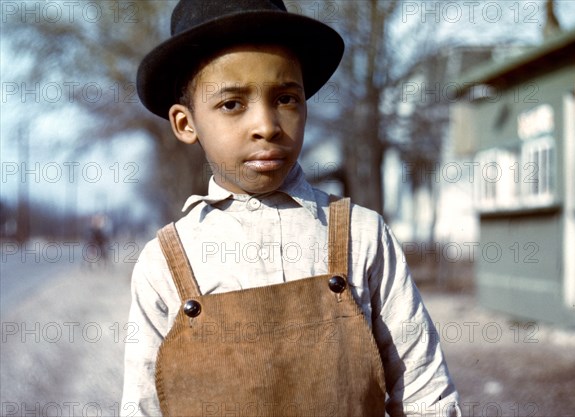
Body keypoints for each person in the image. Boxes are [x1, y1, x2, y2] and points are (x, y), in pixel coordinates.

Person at [121, 1, 461, 416]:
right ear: (186, 123)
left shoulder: (362, 235)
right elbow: (143, 406)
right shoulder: (166, 264)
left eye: (285, 98)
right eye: (232, 104)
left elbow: (426, 392)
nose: (267, 125)